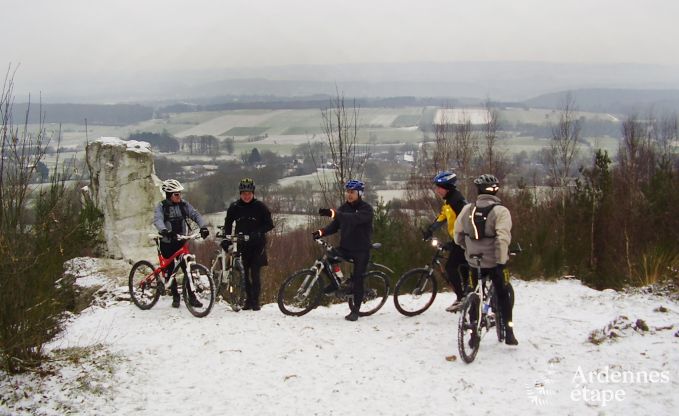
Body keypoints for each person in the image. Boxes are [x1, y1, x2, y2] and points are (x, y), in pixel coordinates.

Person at [454, 174, 518, 346]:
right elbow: (502, 238)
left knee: (475, 292)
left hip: (474, 261)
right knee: (503, 293)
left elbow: (457, 235)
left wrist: (467, 249)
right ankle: (509, 332)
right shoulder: (500, 211)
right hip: (493, 261)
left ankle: (474, 331)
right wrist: (501, 260)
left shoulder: (467, 209)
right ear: (496, 190)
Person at [313, 179, 373, 322]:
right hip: (346, 247)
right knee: (328, 259)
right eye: (348, 192)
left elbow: (352, 219)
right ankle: (336, 283)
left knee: (358, 280)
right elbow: (335, 226)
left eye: (352, 192)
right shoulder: (344, 207)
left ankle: (355, 311)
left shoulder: (366, 209)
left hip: (361, 250)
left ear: (359, 193)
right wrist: (321, 232)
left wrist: (333, 213)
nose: (349, 195)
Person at [153, 179, 210, 308]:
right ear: (169, 195)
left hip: (180, 242)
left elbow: (195, 215)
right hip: (167, 242)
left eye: (180, 194)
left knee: (186, 269)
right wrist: (164, 231)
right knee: (170, 270)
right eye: (176, 194)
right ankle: (175, 296)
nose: (179, 196)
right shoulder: (162, 207)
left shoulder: (184, 205)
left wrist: (203, 227)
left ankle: (192, 297)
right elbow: (158, 220)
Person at [223, 178, 274, 311]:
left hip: (257, 245)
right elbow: (228, 224)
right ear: (240, 193)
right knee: (244, 274)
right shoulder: (235, 207)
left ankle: (255, 301)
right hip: (241, 244)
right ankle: (248, 300)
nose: (246, 196)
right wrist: (227, 239)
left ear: (253, 193)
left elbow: (269, 224)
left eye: (249, 193)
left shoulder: (260, 206)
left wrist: (258, 233)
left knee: (255, 273)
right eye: (244, 193)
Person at [422, 171, 469, 313]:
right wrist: (430, 230)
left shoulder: (457, 202)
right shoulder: (449, 201)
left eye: (439, 187)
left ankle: (461, 298)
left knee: (450, 267)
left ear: (447, 187)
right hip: (458, 240)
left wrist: (455, 241)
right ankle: (467, 293)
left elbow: (466, 222)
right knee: (463, 267)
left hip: (464, 241)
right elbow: (442, 217)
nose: (437, 190)